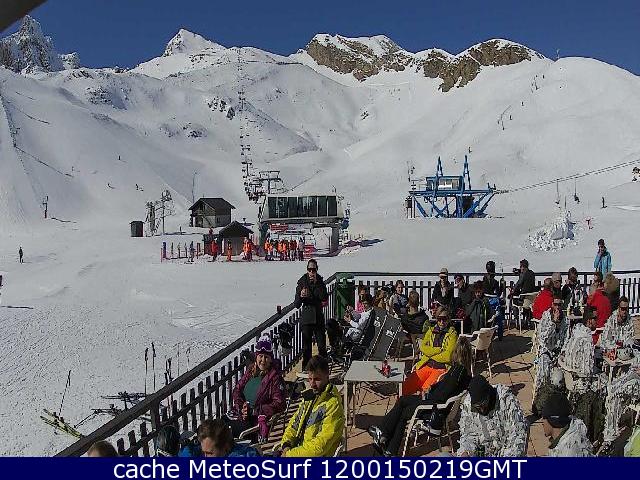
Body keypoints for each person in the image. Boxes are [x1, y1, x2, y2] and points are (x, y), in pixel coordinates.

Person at [368, 337, 473, 456]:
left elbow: (443, 394)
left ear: (456, 353)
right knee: (403, 404)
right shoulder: (463, 371)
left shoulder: (458, 372)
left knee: (403, 407)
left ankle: (384, 435)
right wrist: (431, 388)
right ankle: (387, 444)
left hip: (434, 409)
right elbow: (444, 388)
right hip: (436, 404)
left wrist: (427, 395)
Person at [275, 355, 344, 457]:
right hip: (298, 453)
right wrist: (286, 444)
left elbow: (320, 446)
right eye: (310, 379)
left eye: (317, 379)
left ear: (327, 377)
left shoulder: (333, 404)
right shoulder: (309, 398)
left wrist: (290, 454)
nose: (312, 384)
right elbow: (294, 424)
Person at [228, 335, 285, 440]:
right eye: (260, 356)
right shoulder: (251, 371)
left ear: (271, 359)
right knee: (214, 426)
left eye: (266, 357)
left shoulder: (274, 378)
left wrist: (255, 410)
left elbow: (279, 403)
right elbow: (237, 389)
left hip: (254, 420)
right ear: (256, 357)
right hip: (240, 415)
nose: (263, 360)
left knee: (222, 433)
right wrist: (241, 407)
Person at [457, 375, 528, 457]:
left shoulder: (506, 400)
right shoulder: (468, 404)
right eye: (478, 407)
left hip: (505, 453)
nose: (482, 410)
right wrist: (466, 451)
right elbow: (468, 434)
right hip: (481, 453)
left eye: (484, 404)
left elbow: (517, 436)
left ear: (489, 395)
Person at [402, 306, 458, 396]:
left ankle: (418, 404)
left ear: (448, 319)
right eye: (439, 319)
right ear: (436, 319)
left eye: (444, 319)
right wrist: (438, 350)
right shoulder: (431, 331)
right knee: (405, 386)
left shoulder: (452, 334)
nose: (442, 322)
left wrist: (430, 354)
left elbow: (448, 357)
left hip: (441, 368)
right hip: (427, 364)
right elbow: (423, 347)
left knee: (425, 391)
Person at [294, 259, 328, 370]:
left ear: (317, 270)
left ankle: (323, 369)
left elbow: (324, 297)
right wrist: (301, 295)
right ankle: (306, 369)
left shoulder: (320, 282)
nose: (312, 272)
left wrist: (317, 283)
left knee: (322, 346)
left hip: (318, 317)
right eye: (310, 269)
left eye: (314, 269)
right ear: (307, 270)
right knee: (306, 348)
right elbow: (296, 304)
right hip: (307, 318)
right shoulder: (302, 282)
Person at [533, 295, 569, 397]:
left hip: (559, 353)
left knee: (565, 374)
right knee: (544, 372)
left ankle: (559, 397)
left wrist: (563, 352)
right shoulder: (546, 317)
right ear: (552, 304)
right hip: (547, 351)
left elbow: (566, 338)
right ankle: (541, 395)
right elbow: (543, 339)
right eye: (555, 304)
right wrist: (553, 323)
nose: (557, 307)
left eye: (559, 305)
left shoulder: (565, 319)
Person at [542, 392, 593, 457]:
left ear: (552, 421)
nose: (542, 422)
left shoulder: (568, 451)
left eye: (544, 417)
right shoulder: (565, 439)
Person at [586, 273, 612, 344]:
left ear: (599, 283)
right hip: (607, 333)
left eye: (595, 282)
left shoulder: (594, 297)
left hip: (596, 335)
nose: (593, 284)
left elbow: (589, 318)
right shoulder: (607, 297)